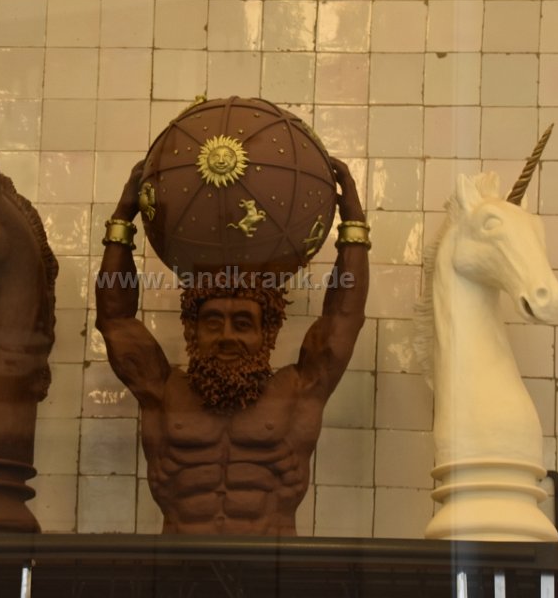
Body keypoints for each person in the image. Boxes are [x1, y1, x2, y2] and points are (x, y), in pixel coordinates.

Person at [95, 158, 370, 536]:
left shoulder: (298, 391)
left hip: (273, 567)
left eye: (242, 324)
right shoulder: (162, 391)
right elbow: (116, 320)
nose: (227, 336)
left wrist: (353, 220)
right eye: (212, 322)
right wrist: (122, 219)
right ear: (191, 330)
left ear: (267, 334)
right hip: (178, 566)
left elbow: (344, 319)